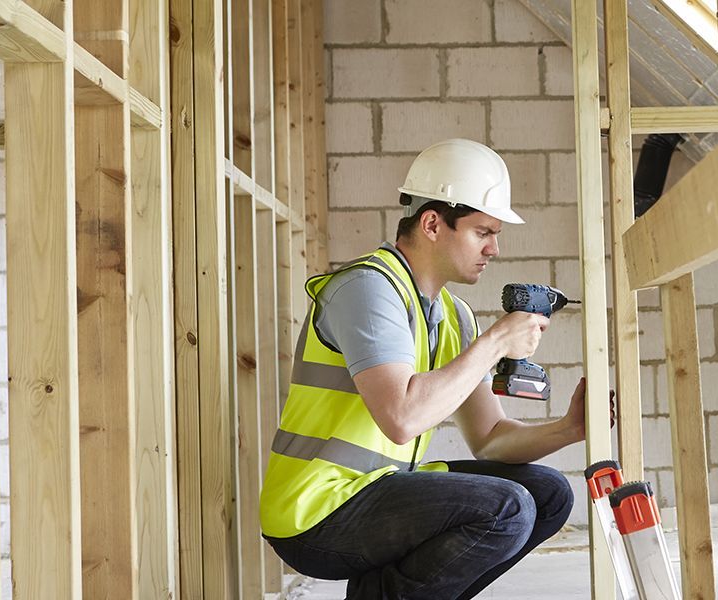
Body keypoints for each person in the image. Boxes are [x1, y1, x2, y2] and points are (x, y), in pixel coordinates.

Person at [260, 138, 610, 599]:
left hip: (381, 491)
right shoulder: (368, 288)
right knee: (505, 508)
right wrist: (497, 341)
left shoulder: (452, 314)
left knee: (548, 494)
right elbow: (401, 418)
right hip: (316, 511)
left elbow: (490, 439)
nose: (495, 249)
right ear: (431, 223)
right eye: (483, 232)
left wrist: (569, 428)